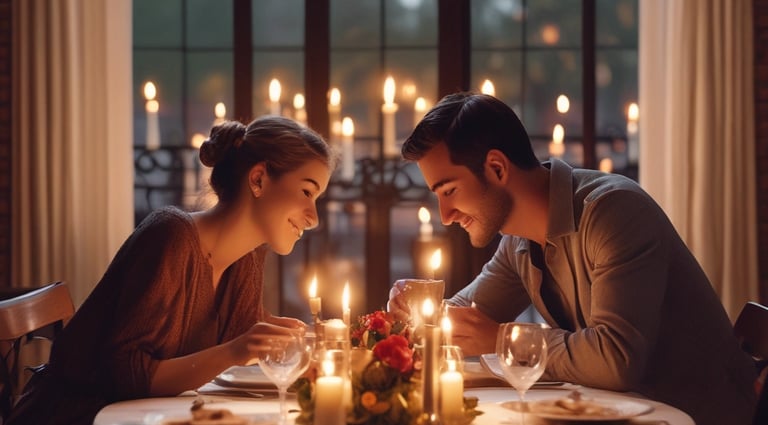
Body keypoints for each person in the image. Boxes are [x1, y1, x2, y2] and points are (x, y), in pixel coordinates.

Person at [387, 92, 757, 424]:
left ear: (497, 168)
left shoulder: (613, 212)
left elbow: (616, 360)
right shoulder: (517, 242)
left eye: (449, 190)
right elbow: (464, 317)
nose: (445, 215)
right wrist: (415, 316)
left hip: (693, 416)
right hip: (615, 413)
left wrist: (500, 340)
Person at [8, 116, 336, 425]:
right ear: (258, 179)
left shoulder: (247, 257)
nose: (313, 217)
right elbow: (123, 375)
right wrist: (236, 350)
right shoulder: (170, 236)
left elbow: (243, 333)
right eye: (307, 192)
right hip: (76, 416)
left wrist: (301, 341)